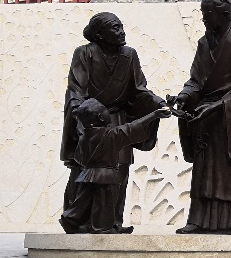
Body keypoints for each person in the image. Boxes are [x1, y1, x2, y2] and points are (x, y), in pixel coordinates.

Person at [170, 0, 231, 235]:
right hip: (207, 117)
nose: (203, 18)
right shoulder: (204, 44)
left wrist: (220, 105)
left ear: (224, 14)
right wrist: (184, 96)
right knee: (206, 171)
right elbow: (196, 80)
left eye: (207, 13)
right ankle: (200, 219)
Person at [60, 12, 164, 234]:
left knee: (119, 170)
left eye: (121, 27)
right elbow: (76, 89)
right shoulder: (84, 53)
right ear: (99, 34)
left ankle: (112, 222)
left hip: (117, 118)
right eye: (115, 28)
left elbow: (139, 90)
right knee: (86, 172)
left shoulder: (129, 55)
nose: (122, 32)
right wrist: (81, 116)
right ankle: (80, 221)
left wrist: (158, 103)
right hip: (90, 119)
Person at [61, 99, 172, 233]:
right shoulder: (111, 135)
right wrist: (154, 115)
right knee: (105, 203)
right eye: (105, 111)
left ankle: (70, 219)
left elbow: (78, 158)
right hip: (106, 177)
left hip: (86, 175)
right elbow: (132, 127)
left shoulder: (84, 137)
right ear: (101, 117)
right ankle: (102, 228)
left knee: (83, 201)